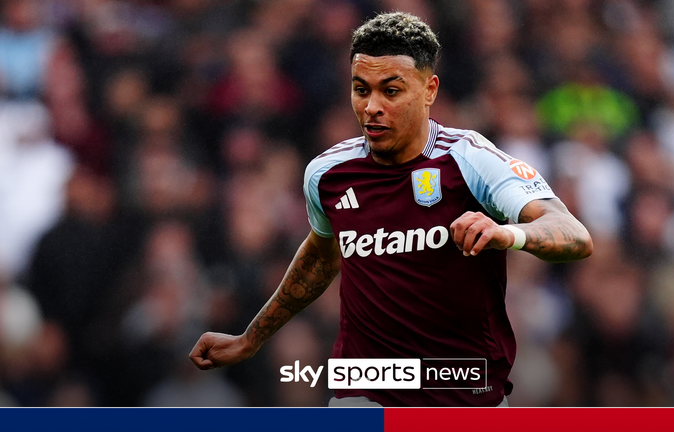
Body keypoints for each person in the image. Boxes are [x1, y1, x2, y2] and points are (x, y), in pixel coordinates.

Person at [189, 11, 593, 407]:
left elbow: (573, 234)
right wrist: (250, 338)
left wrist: (510, 234)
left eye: (391, 90)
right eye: (361, 89)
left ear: (429, 90)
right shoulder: (327, 174)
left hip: (466, 395)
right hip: (365, 393)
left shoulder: (470, 158)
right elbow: (321, 254)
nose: (371, 106)